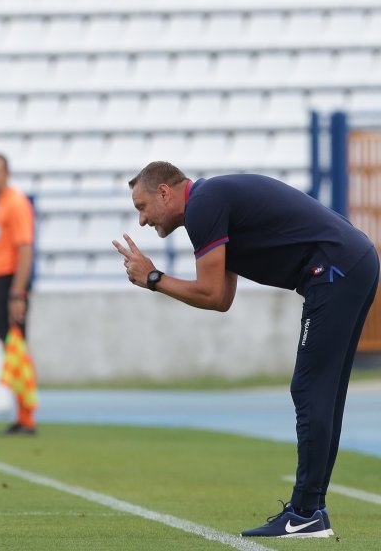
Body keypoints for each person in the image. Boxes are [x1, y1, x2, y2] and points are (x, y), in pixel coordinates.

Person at [112, 161, 378, 538]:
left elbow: (208, 292)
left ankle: (306, 512)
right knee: (322, 392)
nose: (142, 220)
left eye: (142, 207)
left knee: (309, 389)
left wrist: (154, 278)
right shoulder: (210, 205)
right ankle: (311, 509)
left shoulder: (204, 205)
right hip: (351, 262)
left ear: (165, 193)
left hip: (335, 268)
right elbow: (221, 298)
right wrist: (156, 280)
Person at [0, 153, 38, 435]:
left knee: (17, 345)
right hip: (1, 281)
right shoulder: (0, 205)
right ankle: (21, 413)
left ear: (7, 173)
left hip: (11, 282)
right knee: (10, 346)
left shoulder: (15, 203)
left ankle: (27, 416)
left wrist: (17, 293)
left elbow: (25, 250)